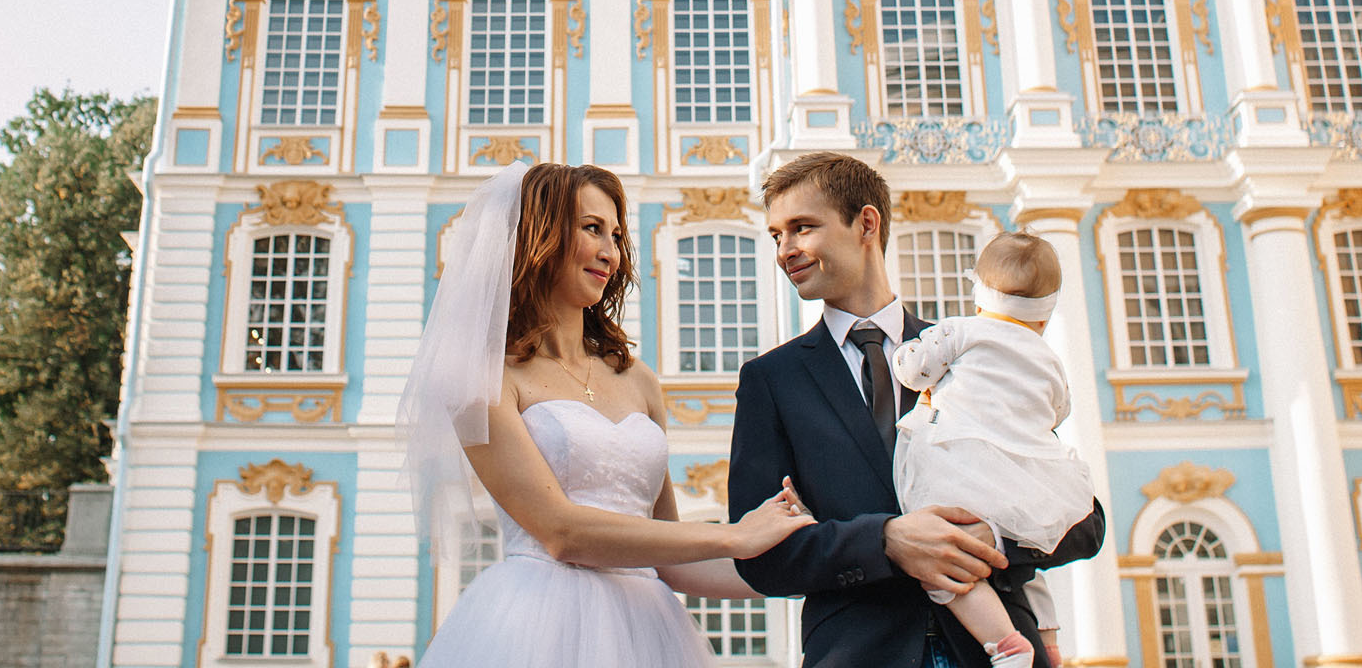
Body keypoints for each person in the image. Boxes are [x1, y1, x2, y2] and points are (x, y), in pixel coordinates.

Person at [403, 162, 814, 667]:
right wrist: (734, 533)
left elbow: (671, 560)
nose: (610, 253)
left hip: (651, 634)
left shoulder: (637, 378)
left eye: (615, 235)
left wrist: (813, 568)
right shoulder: (481, 380)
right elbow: (562, 533)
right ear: (538, 236)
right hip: (535, 630)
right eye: (591, 228)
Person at [727, 152, 1108, 668]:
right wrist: (884, 542)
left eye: (801, 227)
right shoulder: (772, 381)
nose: (785, 250)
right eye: (777, 235)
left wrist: (992, 537)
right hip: (856, 654)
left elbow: (1082, 518)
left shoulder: (972, 350)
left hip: (997, 651)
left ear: (866, 223)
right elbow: (760, 556)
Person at [889, 233, 1099, 668]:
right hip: (1027, 472)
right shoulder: (1048, 357)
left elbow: (914, 371)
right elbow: (1057, 410)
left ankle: (1004, 642)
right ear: (1044, 316)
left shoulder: (961, 330)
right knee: (1023, 555)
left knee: (945, 564)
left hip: (958, 465)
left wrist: (907, 357)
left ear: (979, 295)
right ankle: (1047, 638)